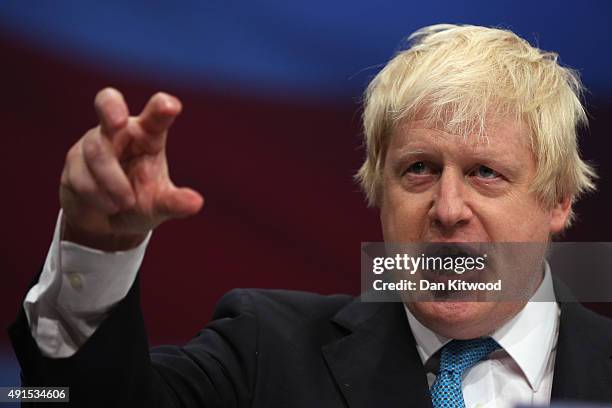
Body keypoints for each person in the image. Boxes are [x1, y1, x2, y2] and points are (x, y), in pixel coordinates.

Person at [9, 24, 612, 407]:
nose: (448, 210)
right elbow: (67, 400)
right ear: (379, 190)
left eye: (486, 173)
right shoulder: (263, 351)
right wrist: (96, 247)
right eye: (418, 170)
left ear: (559, 200)